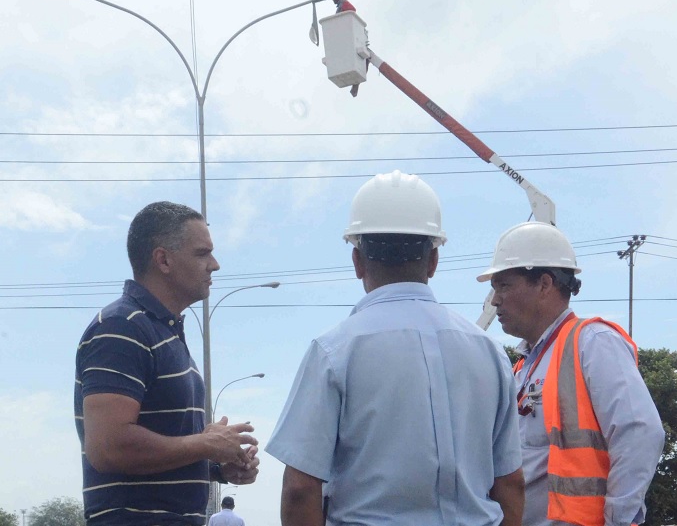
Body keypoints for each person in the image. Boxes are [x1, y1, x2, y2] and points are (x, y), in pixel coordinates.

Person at [266, 170, 524, 526]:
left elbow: (300, 490)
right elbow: (510, 484)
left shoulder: (334, 351)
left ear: (358, 261)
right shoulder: (489, 352)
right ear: (433, 261)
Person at [74, 201, 260, 526]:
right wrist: (205, 443)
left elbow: (167, 447)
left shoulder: (165, 334)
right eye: (202, 253)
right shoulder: (122, 326)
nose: (214, 265)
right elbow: (108, 447)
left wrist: (216, 463)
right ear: (164, 260)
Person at [477, 221, 665, 526]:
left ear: (544, 284)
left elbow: (640, 432)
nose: (495, 299)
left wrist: (618, 520)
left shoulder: (593, 342)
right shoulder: (523, 368)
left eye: (503, 285)